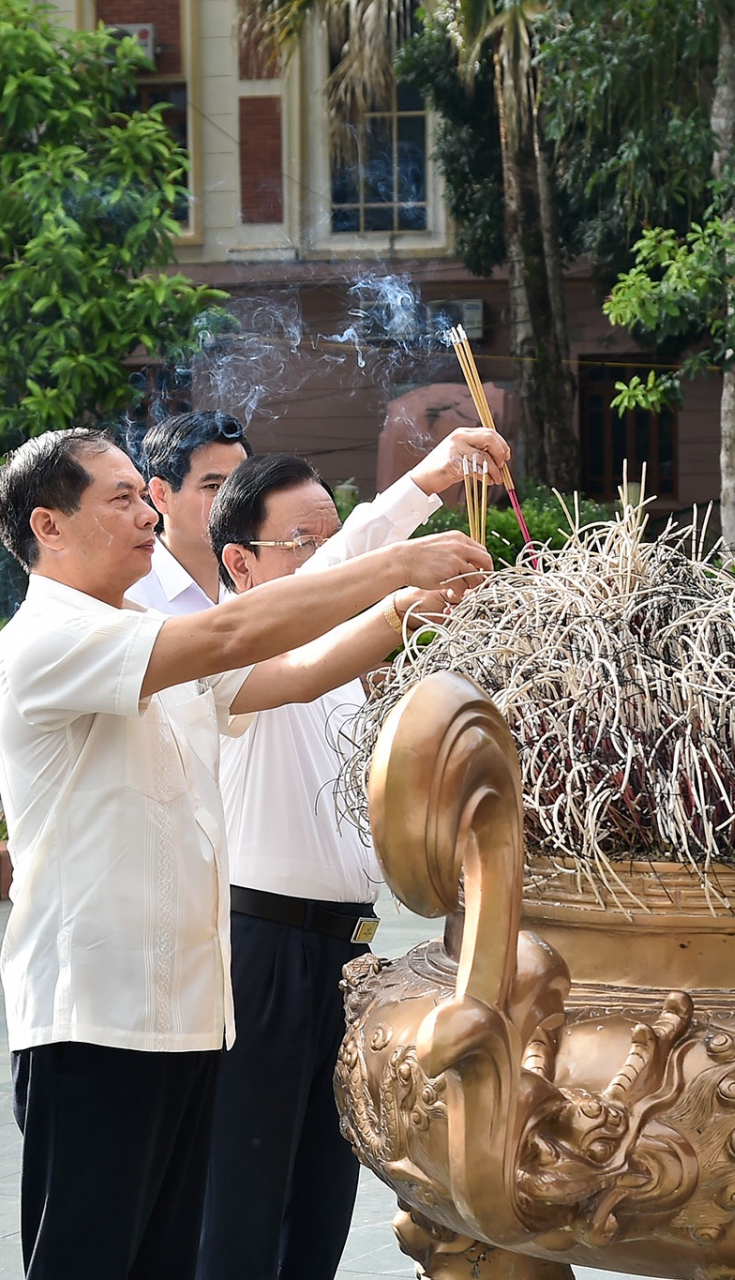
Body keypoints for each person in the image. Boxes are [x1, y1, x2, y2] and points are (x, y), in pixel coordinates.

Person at [0, 428, 491, 1280]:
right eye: (121, 497)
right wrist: (396, 567)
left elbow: (291, 672)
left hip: (185, 1015)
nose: (149, 513)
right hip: (92, 1020)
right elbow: (228, 640)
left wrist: (405, 612)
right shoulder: (47, 640)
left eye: (143, 496)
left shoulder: (139, 631)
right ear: (49, 524)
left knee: (169, 1259)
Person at [195, 438, 508, 1280]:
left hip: (344, 951)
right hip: (257, 950)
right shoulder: (234, 655)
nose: (329, 559)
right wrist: (423, 490)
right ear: (240, 561)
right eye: (303, 542)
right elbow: (347, 571)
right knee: (243, 1191)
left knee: (322, 1190)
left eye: (328, 536)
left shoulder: (337, 658)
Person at [127, 411, 252, 614]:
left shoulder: (262, 574)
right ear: (161, 495)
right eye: (213, 486)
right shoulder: (130, 594)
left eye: (240, 483)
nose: (235, 499)